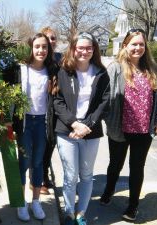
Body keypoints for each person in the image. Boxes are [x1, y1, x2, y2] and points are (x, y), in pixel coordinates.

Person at [100, 28, 157, 222]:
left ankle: (133, 206)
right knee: (115, 165)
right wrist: (107, 120)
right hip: (120, 128)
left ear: (146, 47)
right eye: (134, 44)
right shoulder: (116, 68)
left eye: (141, 44)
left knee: (137, 168)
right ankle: (109, 190)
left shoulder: (151, 68)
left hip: (144, 129)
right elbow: (105, 97)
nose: (138, 48)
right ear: (125, 45)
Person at [54, 32, 110, 225]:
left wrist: (87, 125)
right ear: (73, 49)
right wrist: (75, 123)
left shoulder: (101, 73)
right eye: (81, 47)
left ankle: (81, 214)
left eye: (89, 48)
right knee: (70, 175)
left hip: (90, 131)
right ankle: (69, 213)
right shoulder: (64, 70)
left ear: (93, 49)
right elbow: (57, 101)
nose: (84, 51)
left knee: (86, 175)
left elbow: (105, 102)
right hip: (67, 130)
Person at [12, 33, 57, 221]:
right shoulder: (21, 69)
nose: (41, 50)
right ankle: (21, 202)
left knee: (38, 163)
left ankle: (36, 201)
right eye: (37, 46)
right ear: (31, 48)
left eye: (44, 47)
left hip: (42, 122)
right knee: (23, 163)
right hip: (25, 122)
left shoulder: (52, 70)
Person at [40, 26, 63, 194]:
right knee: (40, 146)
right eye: (48, 38)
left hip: (56, 107)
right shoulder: (38, 60)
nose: (51, 41)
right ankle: (39, 179)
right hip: (41, 108)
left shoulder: (60, 59)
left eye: (53, 38)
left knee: (50, 144)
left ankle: (44, 175)